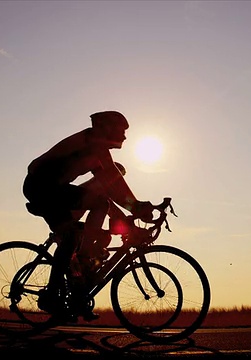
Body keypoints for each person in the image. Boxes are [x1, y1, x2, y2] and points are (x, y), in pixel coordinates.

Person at [22, 111, 153, 321]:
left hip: (52, 189)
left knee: (97, 209)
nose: (125, 137)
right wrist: (136, 208)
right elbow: (115, 184)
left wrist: (135, 208)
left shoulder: (96, 149)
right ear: (106, 128)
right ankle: (52, 294)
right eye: (121, 131)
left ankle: (77, 278)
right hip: (41, 187)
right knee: (73, 235)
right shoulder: (91, 142)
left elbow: (113, 189)